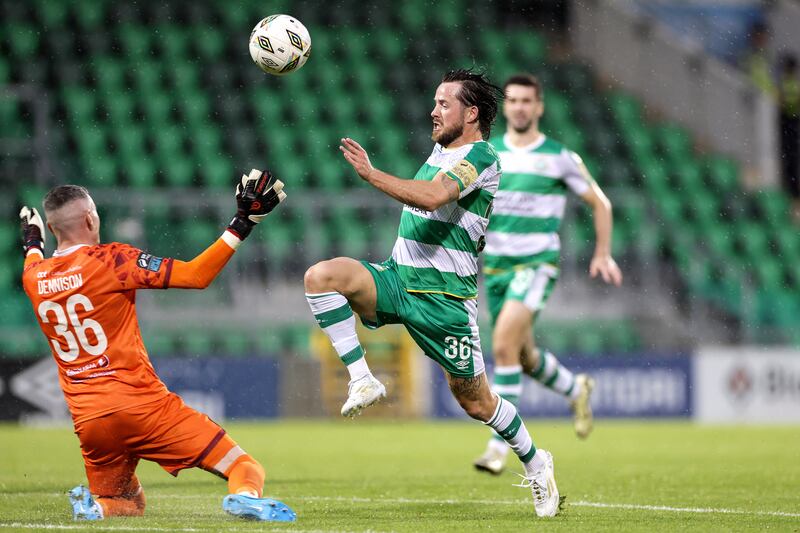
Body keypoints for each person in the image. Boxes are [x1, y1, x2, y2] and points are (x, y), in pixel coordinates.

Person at [303, 68, 561, 517]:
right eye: (434, 102)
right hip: (398, 279)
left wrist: (371, 174)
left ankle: (537, 462)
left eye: (445, 103)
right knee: (321, 277)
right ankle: (362, 378)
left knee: (476, 402)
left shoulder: (481, 157)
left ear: (472, 113)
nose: (433, 110)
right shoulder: (441, 150)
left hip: (444, 301)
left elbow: (431, 198)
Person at [19, 171, 296, 522]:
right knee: (244, 465)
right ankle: (243, 497)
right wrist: (242, 223)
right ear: (90, 218)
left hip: (90, 420)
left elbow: (32, 258)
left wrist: (32, 239)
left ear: (53, 228)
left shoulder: (35, 278)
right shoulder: (111, 260)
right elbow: (196, 275)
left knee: (129, 503)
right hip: (141, 407)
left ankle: (98, 508)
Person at [472, 74, 622, 476]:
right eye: (514, 100)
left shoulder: (559, 157)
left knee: (502, 346)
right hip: (497, 270)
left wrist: (603, 252)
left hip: (537, 264)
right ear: (506, 107)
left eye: (527, 101)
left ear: (539, 107)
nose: (520, 107)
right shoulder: (490, 154)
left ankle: (498, 447)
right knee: (523, 357)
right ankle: (577, 389)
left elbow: (601, 203)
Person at [778, 53, 800, 217]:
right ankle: (790, 188)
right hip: (788, 121)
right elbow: (785, 102)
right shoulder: (785, 84)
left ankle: (793, 189)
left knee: (792, 157)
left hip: (792, 121)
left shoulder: (791, 84)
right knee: (789, 157)